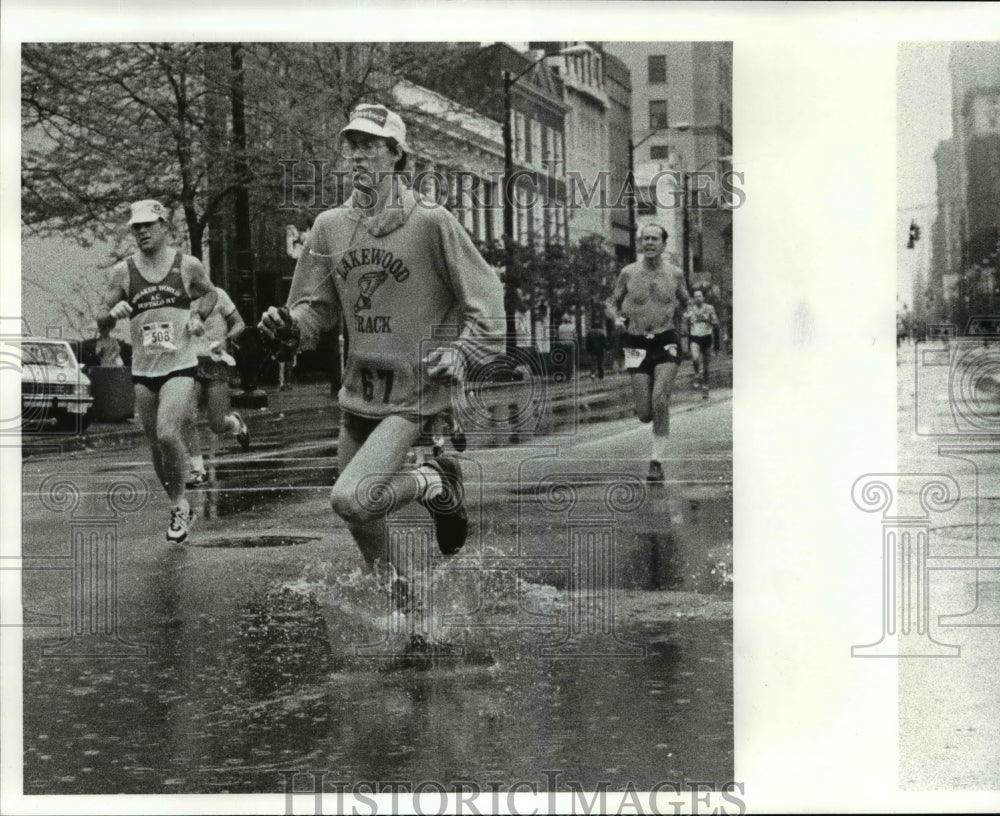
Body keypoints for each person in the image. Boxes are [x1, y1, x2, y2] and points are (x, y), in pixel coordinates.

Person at [258, 103, 504, 601]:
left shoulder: (432, 223)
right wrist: (287, 329)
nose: (358, 156)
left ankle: (433, 480)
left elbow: (489, 302)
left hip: (417, 389)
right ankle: (409, 614)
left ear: (396, 155)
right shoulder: (329, 227)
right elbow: (316, 313)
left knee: (351, 498)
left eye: (371, 145)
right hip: (359, 393)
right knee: (362, 522)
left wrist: (462, 352)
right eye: (352, 144)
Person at [96, 199, 217, 544]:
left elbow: (210, 296)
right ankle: (178, 504)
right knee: (154, 446)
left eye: (149, 225)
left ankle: (181, 506)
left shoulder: (187, 265)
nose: (143, 231)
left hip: (180, 365)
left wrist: (198, 316)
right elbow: (101, 320)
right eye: (137, 226)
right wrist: (113, 312)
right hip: (144, 370)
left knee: (167, 433)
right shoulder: (122, 272)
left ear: (165, 226)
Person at [610, 223, 689, 485]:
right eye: (646, 239)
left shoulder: (675, 274)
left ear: (664, 245)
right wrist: (617, 319)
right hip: (635, 342)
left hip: (666, 340)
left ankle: (656, 462)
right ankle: (654, 407)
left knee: (660, 400)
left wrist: (684, 320)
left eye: (655, 239)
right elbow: (612, 302)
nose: (650, 243)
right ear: (641, 244)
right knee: (644, 413)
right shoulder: (628, 273)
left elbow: (685, 302)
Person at [183, 285, 250, 487]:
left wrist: (226, 339)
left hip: (216, 364)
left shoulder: (218, 294)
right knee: (187, 416)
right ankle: (198, 469)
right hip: (189, 363)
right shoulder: (178, 297)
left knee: (217, 424)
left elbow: (240, 323)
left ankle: (235, 424)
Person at [684, 288, 719, 399]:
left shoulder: (709, 308)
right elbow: (685, 321)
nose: (697, 298)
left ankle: (705, 387)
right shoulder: (691, 309)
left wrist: (707, 319)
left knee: (706, 365)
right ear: (694, 299)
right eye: (695, 296)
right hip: (695, 337)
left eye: (699, 296)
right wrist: (686, 318)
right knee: (695, 358)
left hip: (707, 337)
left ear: (703, 298)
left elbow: (715, 322)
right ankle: (697, 374)